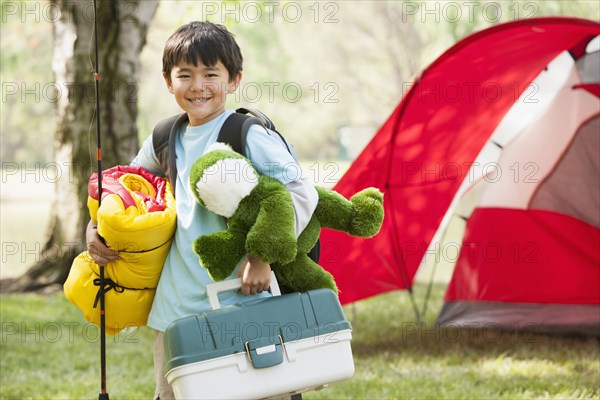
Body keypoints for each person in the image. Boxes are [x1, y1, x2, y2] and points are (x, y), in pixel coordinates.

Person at [85, 21, 317, 400]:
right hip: (175, 312)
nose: (198, 86)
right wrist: (95, 227)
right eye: (185, 75)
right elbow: (125, 193)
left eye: (211, 74)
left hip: (246, 303)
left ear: (234, 79)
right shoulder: (165, 136)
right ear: (167, 80)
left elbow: (299, 193)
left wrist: (262, 257)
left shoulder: (247, 133)